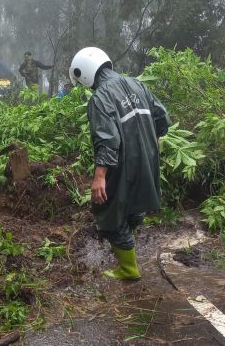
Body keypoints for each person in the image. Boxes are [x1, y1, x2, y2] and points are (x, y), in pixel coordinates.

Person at [70, 47, 169, 280]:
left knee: (107, 210)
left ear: (83, 73)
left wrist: (100, 176)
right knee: (136, 202)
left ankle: (128, 269)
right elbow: (162, 116)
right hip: (147, 158)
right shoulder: (137, 84)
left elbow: (107, 139)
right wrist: (151, 145)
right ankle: (128, 243)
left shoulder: (100, 96)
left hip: (122, 163)